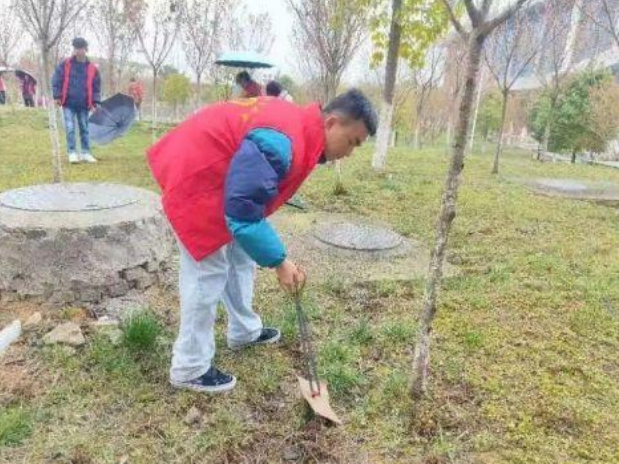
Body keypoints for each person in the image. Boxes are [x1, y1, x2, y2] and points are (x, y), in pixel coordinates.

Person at [147, 89, 377, 393]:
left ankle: (244, 330)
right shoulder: (282, 142)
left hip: (218, 176)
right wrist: (280, 262)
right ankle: (190, 367)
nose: (349, 153)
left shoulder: (300, 131)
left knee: (240, 255)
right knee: (206, 272)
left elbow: (250, 201)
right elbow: (242, 211)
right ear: (332, 122)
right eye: (352, 142)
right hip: (197, 177)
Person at [52, 37, 101, 164]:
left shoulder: (92, 68)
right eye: (76, 48)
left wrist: (95, 102)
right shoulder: (65, 64)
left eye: (81, 48)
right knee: (70, 128)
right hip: (68, 102)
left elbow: (96, 87)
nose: (78, 51)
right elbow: (56, 79)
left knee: (84, 128)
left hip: (84, 104)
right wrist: (57, 96)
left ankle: (85, 153)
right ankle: (72, 153)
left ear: (86, 49)